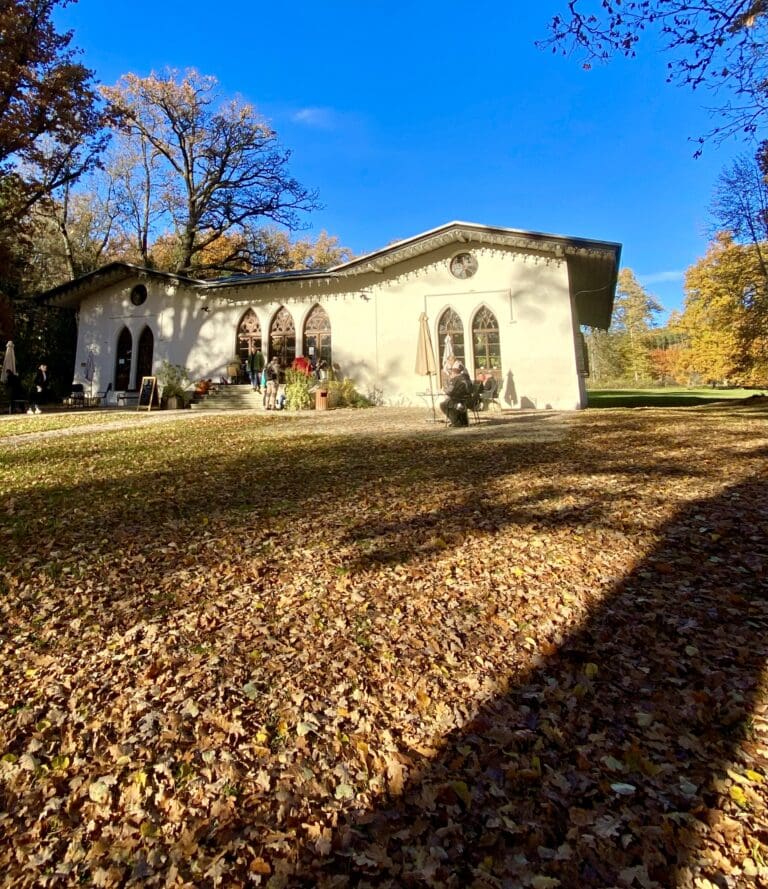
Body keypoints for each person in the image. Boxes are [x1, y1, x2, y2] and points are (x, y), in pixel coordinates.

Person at [440, 360, 472, 427]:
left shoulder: (455, 379)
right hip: (468, 400)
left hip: (458, 400)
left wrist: (444, 390)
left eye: (452, 371)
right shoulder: (467, 378)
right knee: (457, 405)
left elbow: (449, 391)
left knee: (443, 405)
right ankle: (464, 422)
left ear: (454, 371)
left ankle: (456, 422)